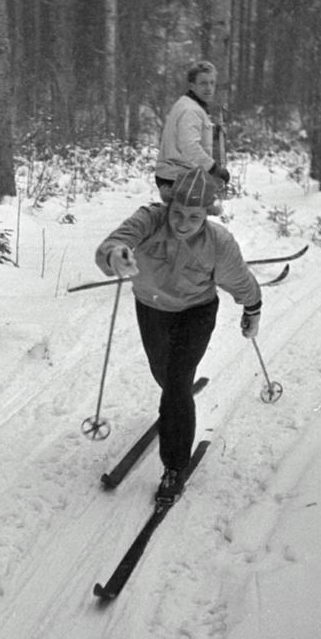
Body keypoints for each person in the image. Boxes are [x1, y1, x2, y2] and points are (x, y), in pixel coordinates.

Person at [95, 166, 261, 503]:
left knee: (176, 383)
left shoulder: (218, 243)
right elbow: (114, 243)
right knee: (164, 374)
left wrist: (252, 310)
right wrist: (116, 255)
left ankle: (174, 466)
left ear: (207, 213)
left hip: (196, 313)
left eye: (194, 216)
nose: (184, 223)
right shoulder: (150, 219)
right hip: (151, 308)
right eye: (178, 213)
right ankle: (176, 404)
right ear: (168, 204)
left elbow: (240, 280)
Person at [155, 61, 230, 203]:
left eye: (212, 83)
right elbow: (189, 147)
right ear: (192, 85)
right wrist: (215, 169)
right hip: (178, 177)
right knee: (195, 215)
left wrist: (213, 132)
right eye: (203, 83)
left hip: (175, 175)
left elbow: (187, 136)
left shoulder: (188, 105)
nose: (209, 88)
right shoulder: (191, 110)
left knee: (185, 215)